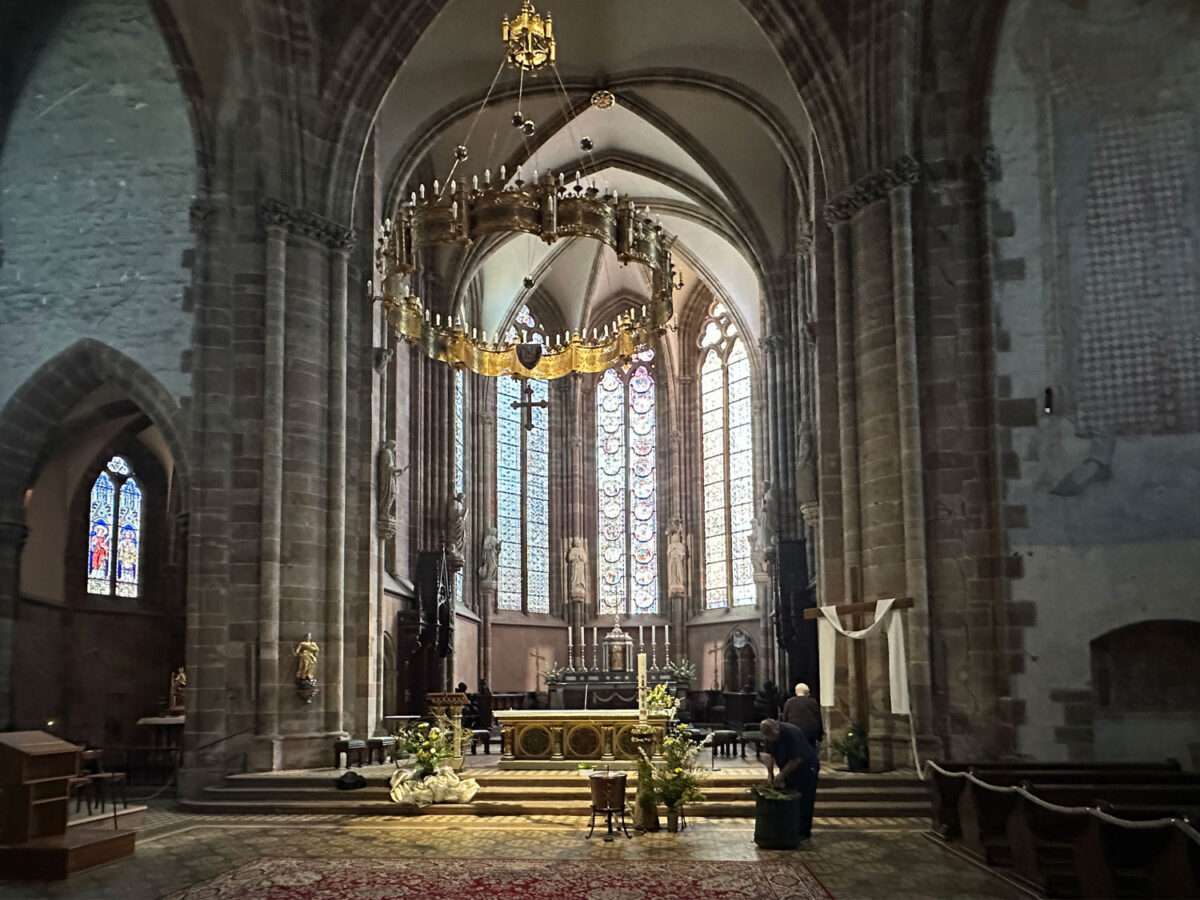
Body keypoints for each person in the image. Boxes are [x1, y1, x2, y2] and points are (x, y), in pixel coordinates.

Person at [759, 718, 819, 844]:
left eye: (774, 736)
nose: (772, 740)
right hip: (788, 765)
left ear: (777, 729)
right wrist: (770, 774)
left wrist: (781, 775)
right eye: (769, 738)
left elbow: (796, 759)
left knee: (804, 798)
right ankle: (790, 829)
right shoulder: (768, 733)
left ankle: (803, 832)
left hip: (806, 767)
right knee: (789, 794)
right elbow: (767, 755)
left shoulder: (792, 733)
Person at [781, 682, 824, 748]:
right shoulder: (812, 702)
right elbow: (818, 718)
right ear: (807, 693)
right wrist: (820, 735)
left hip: (794, 733)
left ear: (796, 692)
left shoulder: (789, 702)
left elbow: (785, 719)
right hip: (810, 734)